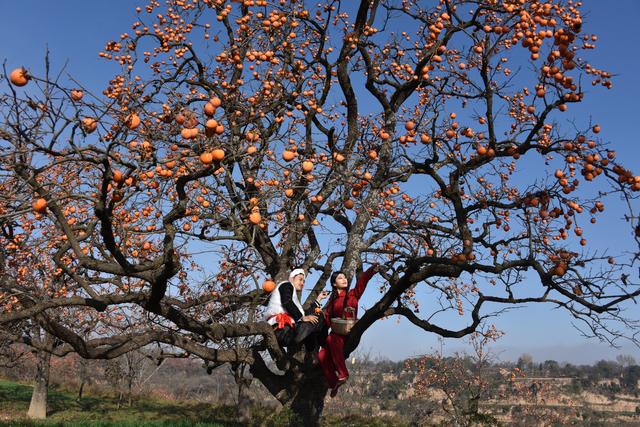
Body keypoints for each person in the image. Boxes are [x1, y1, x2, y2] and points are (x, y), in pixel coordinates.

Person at [318, 264, 379, 397]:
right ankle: (333, 383)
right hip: (336, 332)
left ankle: (343, 373)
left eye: (345, 277)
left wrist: (371, 271)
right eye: (340, 278)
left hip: (347, 332)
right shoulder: (332, 302)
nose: (344, 279)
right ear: (334, 284)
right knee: (321, 355)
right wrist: (320, 312)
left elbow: (361, 282)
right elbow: (328, 321)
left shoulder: (352, 294)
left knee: (331, 339)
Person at [264, 268, 329, 352]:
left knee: (314, 319)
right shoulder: (286, 285)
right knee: (319, 317)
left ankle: (314, 346)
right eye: (300, 279)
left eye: (304, 281)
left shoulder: (292, 296)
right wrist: (301, 317)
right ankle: (325, 346)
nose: (302, 283)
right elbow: (287, 302)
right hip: (282, 331)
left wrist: (318, 299)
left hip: (284, 332)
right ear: (291, 278)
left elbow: (305, 314)